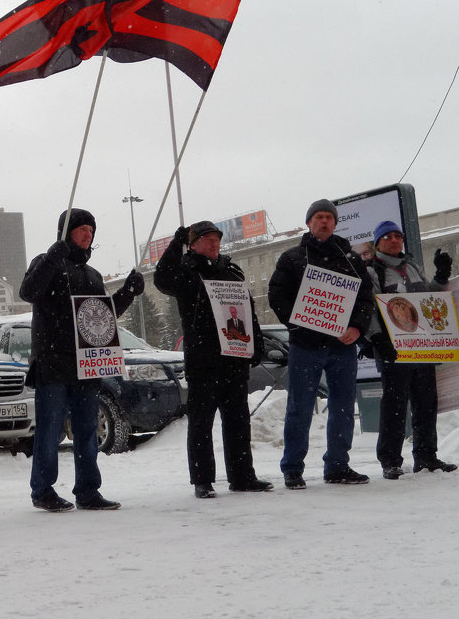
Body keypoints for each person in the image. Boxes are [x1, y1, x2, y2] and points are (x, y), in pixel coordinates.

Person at [19, 207, 144, 512]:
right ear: (65, 232)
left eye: (91, 231)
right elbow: (29, 291)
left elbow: (104, 318)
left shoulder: (93, 275)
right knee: (49, 429)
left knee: (87, 429)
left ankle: (88, 490)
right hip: (53, 362)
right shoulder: (46, 262)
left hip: (88, 363)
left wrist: (127, 293)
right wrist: (52, 257)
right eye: (81, 230)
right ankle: (43, 490)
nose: (88, 235)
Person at [154, 220, 273, 498]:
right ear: (194, 244)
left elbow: (247, 309)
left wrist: (255, 343)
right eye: (207, 239)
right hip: (203, 359)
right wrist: (175, 245)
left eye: (217, 239)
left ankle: (243, 476)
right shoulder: (187, 272)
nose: (214, 243)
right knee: (201, 423)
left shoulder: (232, 271)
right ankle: (203, 479)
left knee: (238, 421)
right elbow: (162, 278)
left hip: (234, 357)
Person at [268, 199, 376, 489]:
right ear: (309, 222)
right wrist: (299, 323)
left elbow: (365, 298)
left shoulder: (351, 259)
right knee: (299, 407)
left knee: (342, 407)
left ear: (335, 222)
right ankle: (292, 468)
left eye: (329, 217)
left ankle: (338, 465)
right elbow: (277, 295)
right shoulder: (292, 257)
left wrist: (357, 327)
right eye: (319, 216)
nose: (324, 221)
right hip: (305, 346)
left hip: (343, 346)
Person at [364, 220, 457, 479]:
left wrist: (441, 274)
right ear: (378, 242)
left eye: (398, 236)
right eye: (388, 237)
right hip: (394, 349)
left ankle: (426, 457)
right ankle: (390, 460)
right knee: (394, 405)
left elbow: (431, 300)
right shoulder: (374, 271)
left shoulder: (412, 266)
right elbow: (369, 308)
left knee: (426, 403)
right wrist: (377, 338)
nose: (394, 240)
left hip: (421, 347)